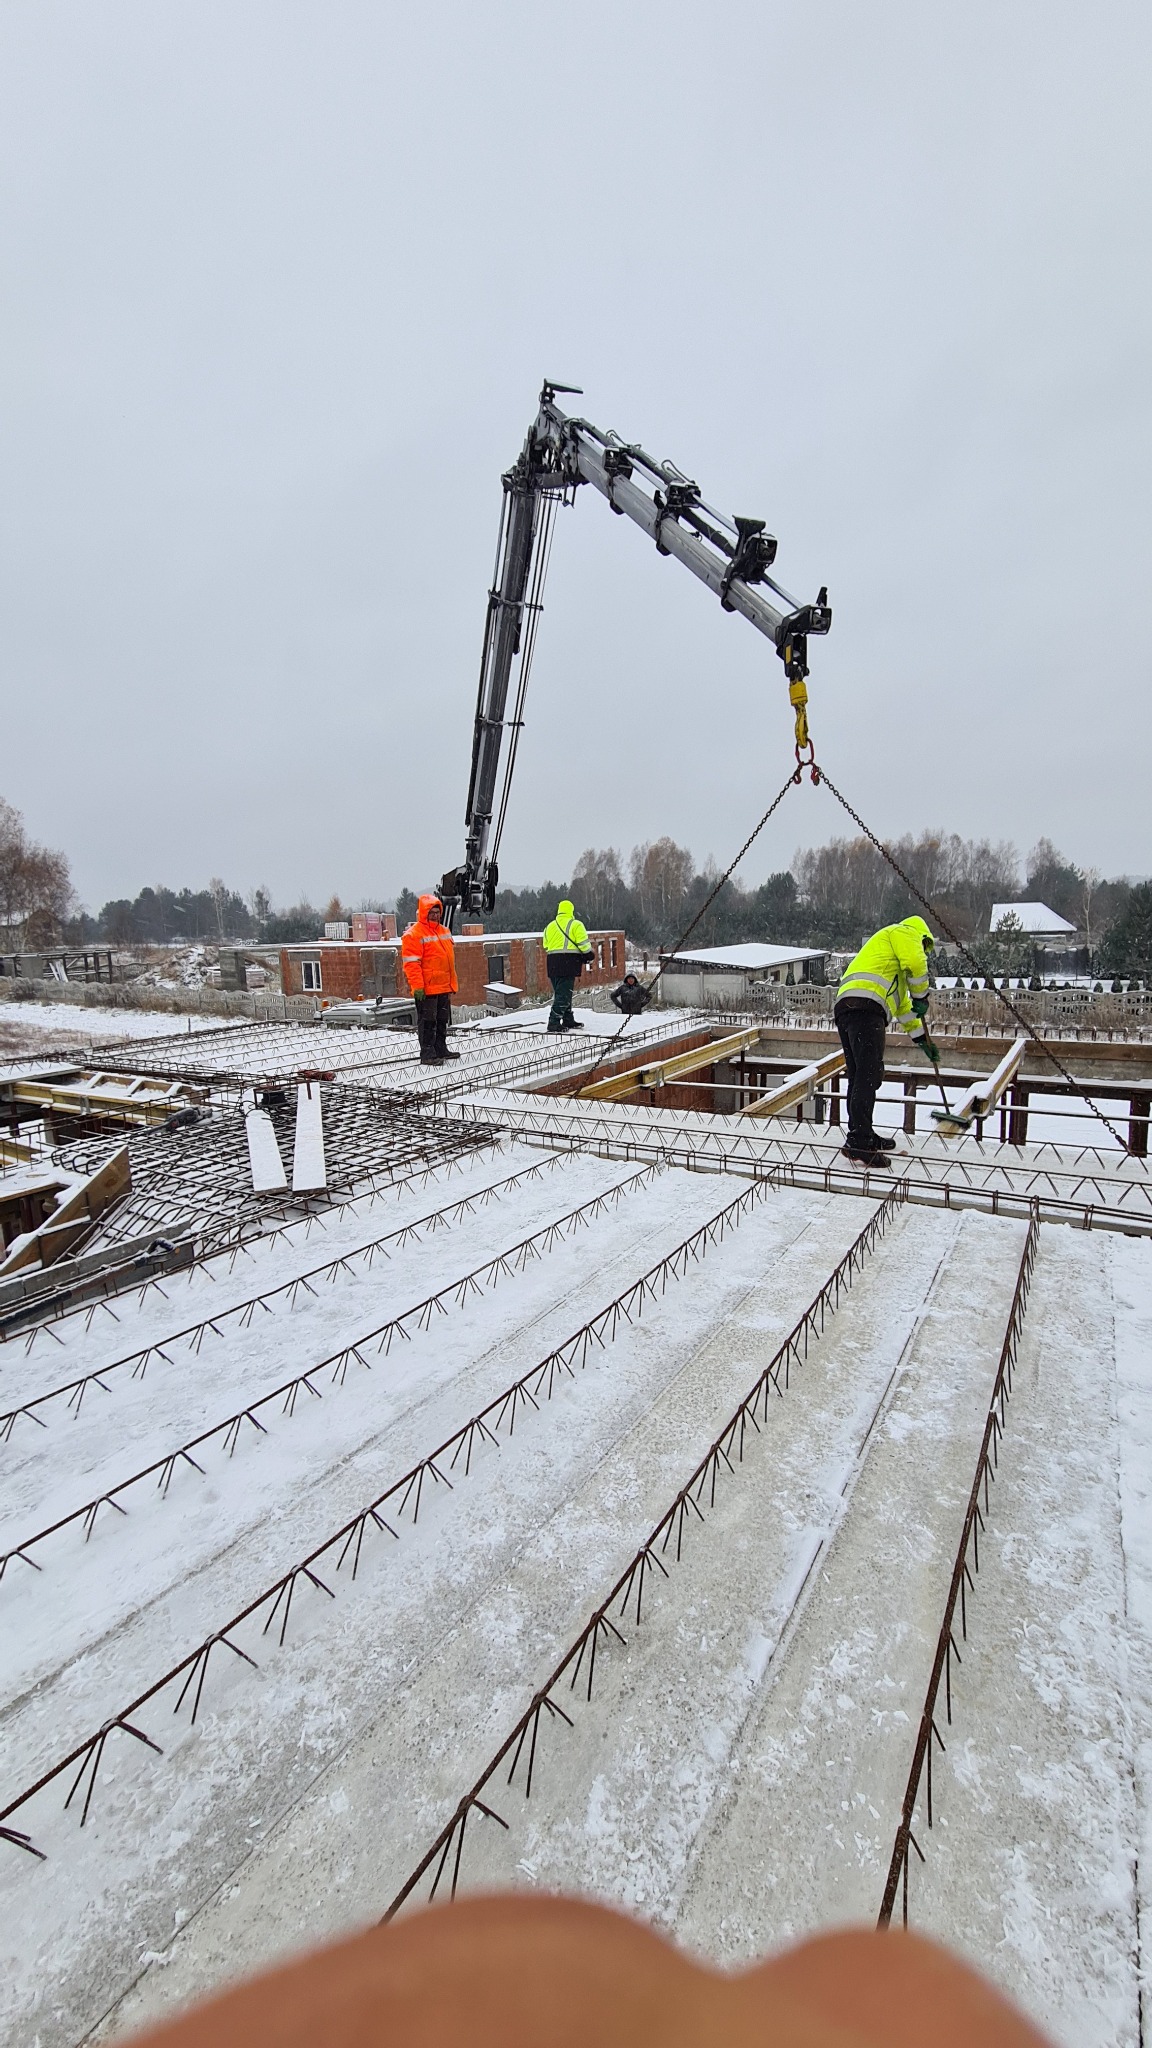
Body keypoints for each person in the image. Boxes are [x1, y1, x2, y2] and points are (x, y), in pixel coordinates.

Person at [834, 914, 940, 1166]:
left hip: (848, 1007)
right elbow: (916, 961)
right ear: (922, 936)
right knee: (868, 1074)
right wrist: (922, 995)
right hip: (866, 1007)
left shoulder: (890, 968)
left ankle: (863, 1134)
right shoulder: (904, 931)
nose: (923, 952)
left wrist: (922, 1039)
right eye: (925, 947)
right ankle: (859, 1140)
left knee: (860, 1074)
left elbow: (903, 1009)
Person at [401, 894, 460, 1065]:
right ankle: (427, 1054)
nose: (435, 915)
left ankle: (440, 1049)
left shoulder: (444, 931)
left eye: (437, 912)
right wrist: (417, 986)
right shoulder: (413, 934)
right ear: (423, 913)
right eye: (431, 912)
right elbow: (411, 964)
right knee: (428, 1022)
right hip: (427, 988)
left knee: (442, 1019)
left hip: (443, 986)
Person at [542, 897, 593, 1032]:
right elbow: (583, 944)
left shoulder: (549, 926)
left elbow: (546, 945)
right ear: (571, 911)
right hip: (568, 963)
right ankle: (553, 1022)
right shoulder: (575, 924)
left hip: (552, 963)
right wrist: (589, 955)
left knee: (563, 992)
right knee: (563, 995)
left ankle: (568, 1019)